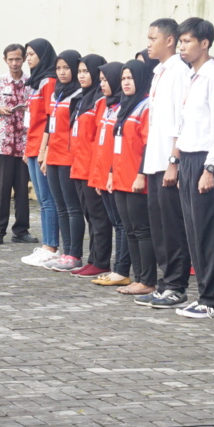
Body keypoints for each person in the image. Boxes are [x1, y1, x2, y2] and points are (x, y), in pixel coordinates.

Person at [172, 19, 214, 318]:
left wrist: (210, 167)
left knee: (206, 231)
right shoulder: (191, 77)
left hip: (206, 160)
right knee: (193, 230)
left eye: (187, 41)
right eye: (180, 42)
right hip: (189, 159)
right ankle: (203, 295)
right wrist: (180, 163)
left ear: (204, 43)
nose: (182, 47)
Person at [140, 18, 192, 309]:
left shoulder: (178, 73)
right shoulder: (159, 71)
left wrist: (174, 161)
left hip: (168, 162)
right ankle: (164, 283)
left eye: (153, 38)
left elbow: (180, 122)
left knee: (173, 228)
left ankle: (176, 285)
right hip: (154, 160)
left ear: (169, 41)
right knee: (158, 226)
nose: (148, 43)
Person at [112, 60, 158, 298]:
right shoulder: (125, 105)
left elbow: (149, 144)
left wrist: (141, 174)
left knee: (141, 230)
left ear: (140, 79)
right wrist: (111, 173)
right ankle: (138, 277)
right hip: (120, 178)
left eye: (130, 78)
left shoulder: (146, 106)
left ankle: (148, 279)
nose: (126, 82)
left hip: (137, 178)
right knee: (129, 230)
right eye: (123, 78)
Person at [0, 43, 33, 244]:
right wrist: (0, 109)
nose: (14, 63)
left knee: (22, 190)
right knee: (1, 190)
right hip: (2, 143)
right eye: (11, 59)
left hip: (23, 143)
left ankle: (21, 230)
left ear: (23, 60)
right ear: (5, 60)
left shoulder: (31, 83)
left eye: (18, 59)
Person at [41, 49, 86, 271]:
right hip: (54, 156)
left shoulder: (79, 95)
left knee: (72, 207)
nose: (62, 72)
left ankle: (75, 254)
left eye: (66, 68)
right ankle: (66, 252)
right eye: (58, 68)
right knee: (60, 207)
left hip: (69, 158)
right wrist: (44, 152)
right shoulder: (55, 93)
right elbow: (50, 125)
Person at [82, 61, 126, 282]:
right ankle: (117, 268)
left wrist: (109, 173)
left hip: (116, 174)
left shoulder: (123, 108)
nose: (103, 84)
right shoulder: (108, 106)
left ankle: (121, 269)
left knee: (120, 224)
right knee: (115, 222)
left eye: (106, 80)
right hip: (102, 175)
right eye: (101, 80)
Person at [70, 55, 113, 277]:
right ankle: (92, 258)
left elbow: (99, 139)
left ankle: (102, 260)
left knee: (99, 217)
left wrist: (99, 170)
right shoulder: (83, 98)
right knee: (89, 216)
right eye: (80, 71)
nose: (81, 76)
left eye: (86, 71)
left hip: (92, 168)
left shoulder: (100, 101)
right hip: (79, 166)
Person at [20, 38, 61, 263]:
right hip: (33, 147)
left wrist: (44, 150)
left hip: (43, 148)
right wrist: (28, 149)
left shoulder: (49, 82)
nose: (28, 59)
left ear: (43, 56)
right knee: (42, 199)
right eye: (27, 54)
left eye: (32, 54)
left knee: (48, 199)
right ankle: (48, 245)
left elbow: (49, 119)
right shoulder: (36, 83)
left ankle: (51, 246)